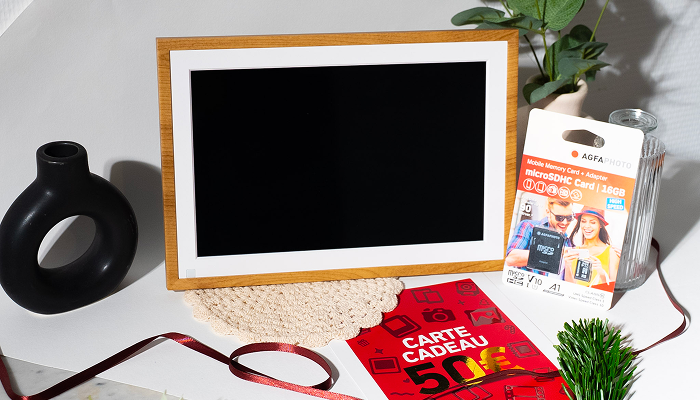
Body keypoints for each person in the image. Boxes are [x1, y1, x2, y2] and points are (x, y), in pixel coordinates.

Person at [505, 198, 574, 277]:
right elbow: (511, 259)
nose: (565, 222)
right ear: (548, 212)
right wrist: (555, 252)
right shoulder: (529, 227)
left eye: (569, 218)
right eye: (559, 218)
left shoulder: (567, 241)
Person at [563, 206, 620, 287]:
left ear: (600, 225)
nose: (587, 226)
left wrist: (601, 273)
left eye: (592, 222)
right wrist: (567, 264)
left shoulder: (611, 252)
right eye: (583, 221)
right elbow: (570, 286)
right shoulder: (575, 251)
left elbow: (612, 287)